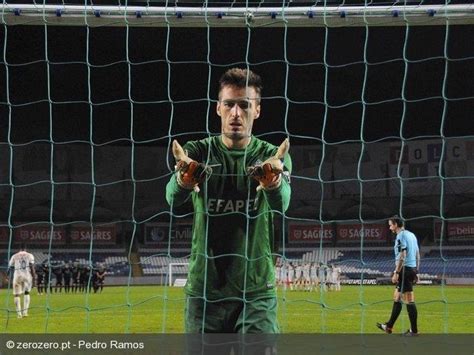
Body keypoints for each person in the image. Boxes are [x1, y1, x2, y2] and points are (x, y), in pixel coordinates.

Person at [166, 68, 292, 334]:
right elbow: (172, 198)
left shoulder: (271, 156)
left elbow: (283, 204)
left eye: (245, 105)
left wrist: (273, 183)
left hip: (256, 293)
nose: (236, 113)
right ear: (218, 108)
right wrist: (183, 181)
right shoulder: (198, 152)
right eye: (229, 104)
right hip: (204, 293)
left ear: (257, 110)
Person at [377, 216, 420, 336]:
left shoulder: (400, 236)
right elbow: (417, 254)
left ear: (396, 224)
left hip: (404, 270)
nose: (390, 227)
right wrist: (417, 271)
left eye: (390, 225)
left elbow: (403, 254)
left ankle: (414, 331)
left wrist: (396, 272)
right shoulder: (412, 235)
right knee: (397, 297)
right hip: (411, 269)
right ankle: (389, 326)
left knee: (409, 300)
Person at [7, 244, 36, 318]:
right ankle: (25, 313)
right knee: (27, 293)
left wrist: (7, 276)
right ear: (25, 249)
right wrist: (34, 279)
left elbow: (9, 267)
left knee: (17, 295)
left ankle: (19, 315)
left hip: (17, 276)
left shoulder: (14, 256)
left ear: (19, 249)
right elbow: (32, 267)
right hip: (27, 276)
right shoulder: (30, 255)